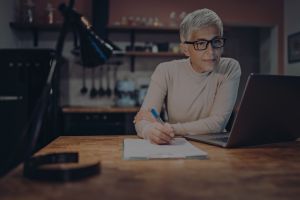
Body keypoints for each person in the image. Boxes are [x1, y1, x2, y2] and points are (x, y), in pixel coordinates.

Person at [134, 8, 241, 144]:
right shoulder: (165, 70)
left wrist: (171, 128)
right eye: (201, 43)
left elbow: (217, 124)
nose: (211, 51)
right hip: (175, 147)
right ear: (185, 49)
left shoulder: (230, 68)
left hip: (215, 148)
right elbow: (143, 118)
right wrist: (149, 131)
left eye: (216, 41)